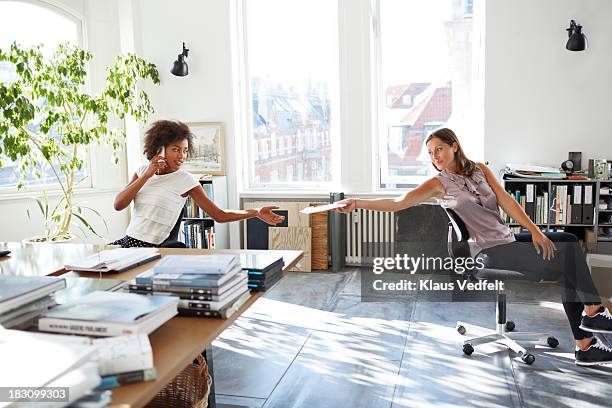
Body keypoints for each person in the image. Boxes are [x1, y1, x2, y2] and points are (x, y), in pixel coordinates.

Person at [334, 127, 612, 366]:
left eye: (439, 149)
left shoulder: (480, 169)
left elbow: (507, 201)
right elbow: (398, 203)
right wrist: (358, 203)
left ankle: (588, 332)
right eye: (430, 153)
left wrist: (536, 231)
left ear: (454, 146)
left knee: (568, 241)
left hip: (507, 240)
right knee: (568, 262)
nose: (435, 156)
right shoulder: (437, 184)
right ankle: (590, 325)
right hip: (488, 254)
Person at [112, 120, 284, 248]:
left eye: (185, 150)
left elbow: (219, 215)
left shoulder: (186, 180)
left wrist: (256, 212)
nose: (182, 156)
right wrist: (146, 176)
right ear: (159, 148)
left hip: (153, 250)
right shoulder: (142, 171)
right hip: (128, 243)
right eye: (176, 149)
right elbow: (119, 205)